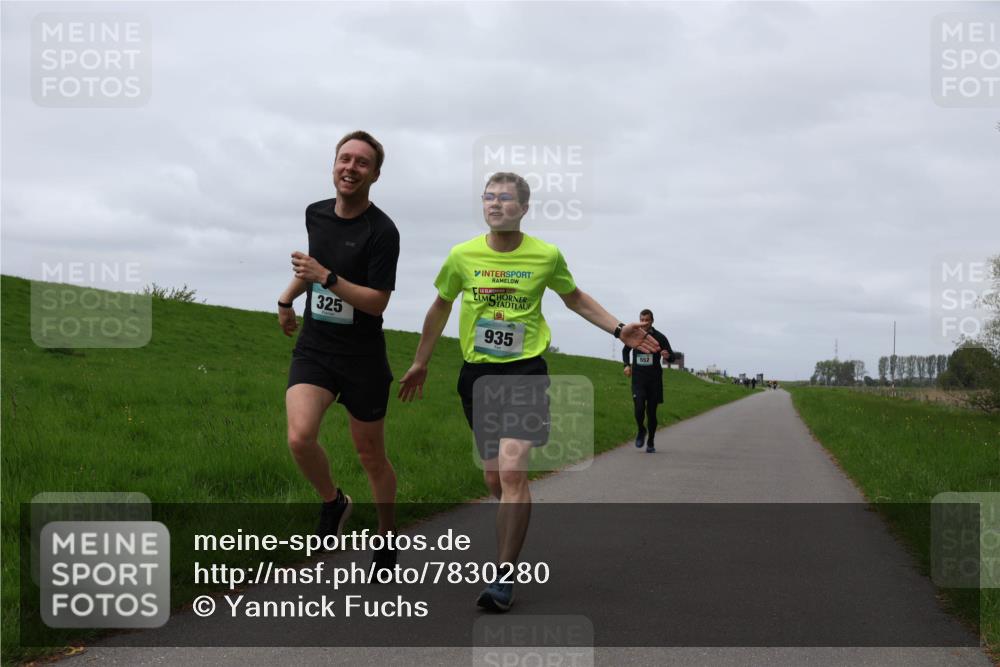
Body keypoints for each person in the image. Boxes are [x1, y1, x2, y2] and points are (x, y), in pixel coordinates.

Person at [398, 172, 658, 612]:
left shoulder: (546, 255)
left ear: (523, 208)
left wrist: (618, 329)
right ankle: (513, 528)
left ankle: (503, 576)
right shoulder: (462, 256)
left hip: (525, 372)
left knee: (514, 472)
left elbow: (573, 298)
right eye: (488, 197)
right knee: (494, 479)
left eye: (505, 199)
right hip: (477, 377)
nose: (495, 204)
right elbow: (440, 305)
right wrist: (421, 361)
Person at [277, 130, 400, 572]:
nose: (351, 167)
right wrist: (287, 299)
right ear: (334, 165)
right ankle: (334, 502)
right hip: (316, 348)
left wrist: (327, 278)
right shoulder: (316, 214)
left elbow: (377, 301)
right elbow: (311, 265)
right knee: (299, 435)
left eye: (361, 162)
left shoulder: (383, 231)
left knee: (371, 456)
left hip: (363, 358)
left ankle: (387, 538)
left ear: (375, 174)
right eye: (344, 159)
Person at [622, 309, 674, 453]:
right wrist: (626, 365)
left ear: (652, 321)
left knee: (652, 413)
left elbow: (672, 357)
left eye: (647, 320)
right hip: (638, 379)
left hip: (654, 380)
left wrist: (667, 355)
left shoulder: (660, 337)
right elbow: (626, 350)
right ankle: (641, 430)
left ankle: (650, 441)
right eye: (642, 320)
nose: (644, 323)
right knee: (639, 408)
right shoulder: (634, 335)